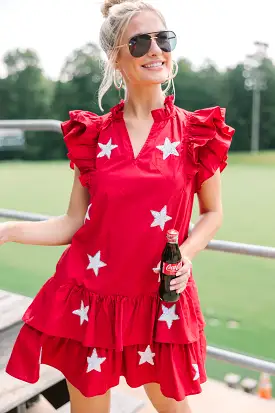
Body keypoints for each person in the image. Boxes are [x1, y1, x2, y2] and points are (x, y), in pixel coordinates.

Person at [0, 0, 235, 412]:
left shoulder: (197, 132)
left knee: (173, 408)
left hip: (159, 301)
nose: (156, 50)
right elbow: (73, 222)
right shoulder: (91, 135)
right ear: (116, 56)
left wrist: (188, 256)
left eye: (163, 39)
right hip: (91, 299)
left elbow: (212, 212)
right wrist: (6, 230)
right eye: (140, 42)